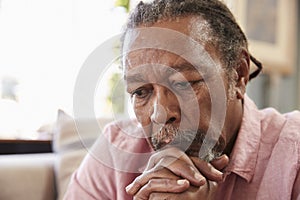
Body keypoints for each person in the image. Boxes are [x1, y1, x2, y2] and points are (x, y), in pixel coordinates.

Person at [64, 0, 300, 199]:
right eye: (140, 92)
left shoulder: (294, 155)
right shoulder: (113, 153)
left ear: (238, 75)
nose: (160, 113)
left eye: (183, 83)